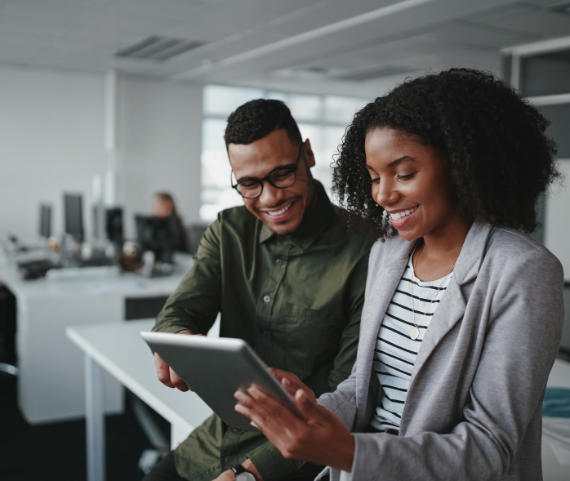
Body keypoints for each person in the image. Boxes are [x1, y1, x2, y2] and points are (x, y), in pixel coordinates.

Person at [234, 69, 565, 481]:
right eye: (374, 178)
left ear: (461, 164)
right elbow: (361, 390)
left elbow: (488, 448)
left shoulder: (522, 271)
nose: (382, 195)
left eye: (404, 174)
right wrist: (306, 410)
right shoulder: (387, 253)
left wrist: (351, 450)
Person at [146, 99, 373, 481]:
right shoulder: (228, 230)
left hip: (298, 458)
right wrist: (174, 340)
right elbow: (178, 312)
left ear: (309, 154)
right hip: (217, 441)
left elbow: (348, 396)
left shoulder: (366, 249)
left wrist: (253, 474)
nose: (270, 198)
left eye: (283, 174)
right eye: (250, 184)